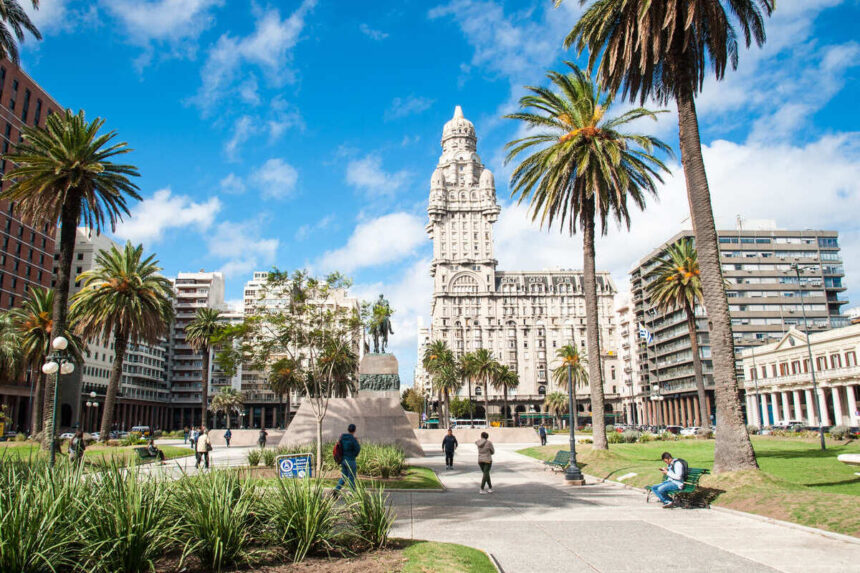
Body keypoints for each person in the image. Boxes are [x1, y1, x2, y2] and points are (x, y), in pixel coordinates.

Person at [333, 423, 361, 495]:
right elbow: (357, 449)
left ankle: (336, 490)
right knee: (351, 477)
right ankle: (352, 493)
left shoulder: (342, 437)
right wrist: (353, 455)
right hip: (351, 460)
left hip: (343, 460)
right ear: (354, 430)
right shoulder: (353, 439)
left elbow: (340, 447)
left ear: (348, 429)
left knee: (344, 477)